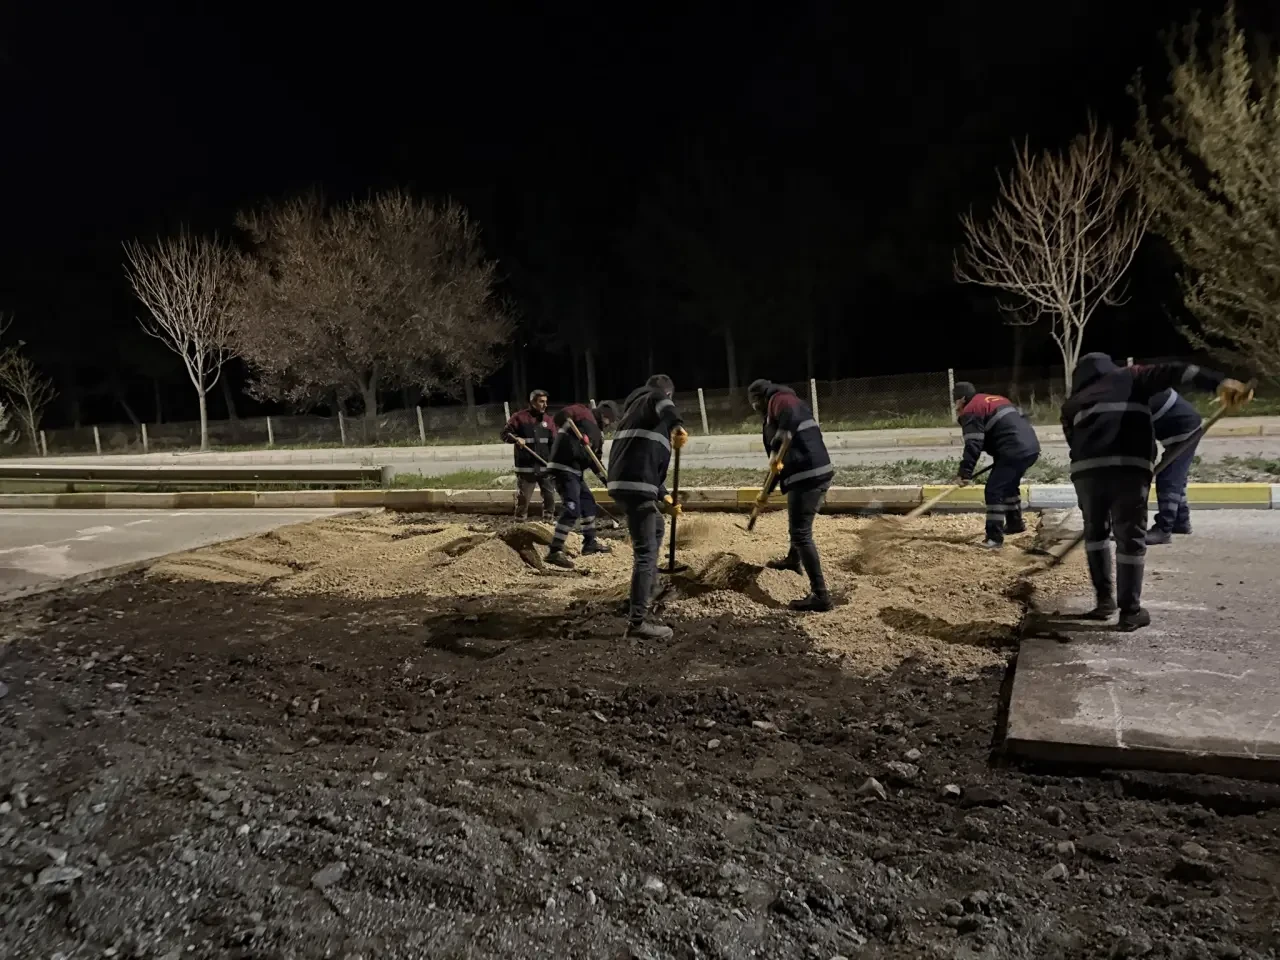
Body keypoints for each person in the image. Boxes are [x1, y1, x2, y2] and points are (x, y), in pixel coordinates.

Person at [1061, 353, 1249, 631]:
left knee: (1095, 534)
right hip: (1129, 468)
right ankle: (1130, 613)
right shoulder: (1131, 376)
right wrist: (1219, 383)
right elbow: (1178, 370)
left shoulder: (1071, 403)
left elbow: (1072, 442)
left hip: (1087, 474)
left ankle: (1103, 603)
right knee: (1130, 538)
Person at [607, 374, 688, 641]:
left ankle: (648, 587)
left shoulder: (637, 414)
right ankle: (638, 622)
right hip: (634, 486)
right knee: (645, 552)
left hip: (630, 483)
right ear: (669, 394)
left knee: (657, 527)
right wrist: (676, 424)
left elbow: (648, 463)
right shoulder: (651, 399)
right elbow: (661, 402)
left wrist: (664, 499)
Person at [747, 379, 834, 612]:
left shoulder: (781, 399)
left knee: (801, 533)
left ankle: (821, 596)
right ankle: (793, 560)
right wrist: (765, 493)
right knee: (798, 527)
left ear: (761, 398)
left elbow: (787, 426)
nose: (754, 406)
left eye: (755, 401)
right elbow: (778, 464)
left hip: (808, 476)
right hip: (808, 474)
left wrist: (779, 440)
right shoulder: (773, 413)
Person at [951, 382, 1042, 549]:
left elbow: (973, 444)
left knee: (994, 490)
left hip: (1013, 450)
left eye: (955, 401)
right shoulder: (995, 400)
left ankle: (994, 538)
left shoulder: (972, 409)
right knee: (1008, 485)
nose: (955, 405)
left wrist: (964, 473)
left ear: (962, 399)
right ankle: (1015, 524)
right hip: (1030, 447)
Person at [545, 400, 613, 568]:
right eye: (609, 420)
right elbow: (561, 416)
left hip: (575, 473)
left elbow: (595, 462)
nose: (609, 424)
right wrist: (578, 438)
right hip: (563, 468)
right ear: (605, 416)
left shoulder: (598, 435)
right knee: (572, 508)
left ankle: (589, 543)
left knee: (588, 502)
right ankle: (554, 551)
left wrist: (608, 481)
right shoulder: (582, 412)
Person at [1146, 388, 1203, 545]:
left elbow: (1147, 446)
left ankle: (1164, 529)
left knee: (1169, 478)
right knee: (1174, 475)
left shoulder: (1130, 400)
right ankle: (1181, 521)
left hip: (1185, 430)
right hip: (1183, 425)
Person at [500, 389, 557, 521]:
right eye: (541, 402)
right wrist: (516, 438)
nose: (545, 405)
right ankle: (520, 524)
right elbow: (504, 434)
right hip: (526, 468)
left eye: (546, 402)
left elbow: (554, 443)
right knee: (523, 499)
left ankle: (548, 523)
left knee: (550, 497)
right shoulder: (519, 418)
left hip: (545, 467)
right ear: (532, 402)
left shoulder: (549, 421)